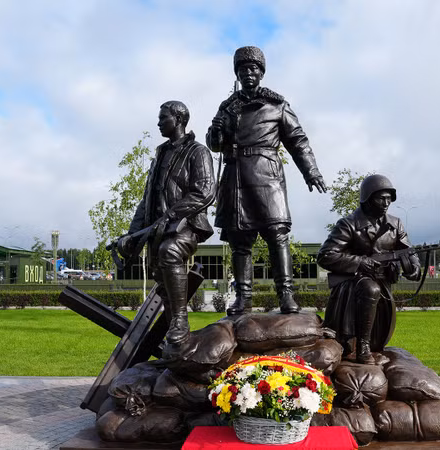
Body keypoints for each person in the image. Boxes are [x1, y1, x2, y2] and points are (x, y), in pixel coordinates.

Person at [206, 45, 326, 316]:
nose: (248, 73)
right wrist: (216, 131)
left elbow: (298, 141)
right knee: (240, 241)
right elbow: (215, 144)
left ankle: (286, 295)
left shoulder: (277, 105)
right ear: (237, 74)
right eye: (243, 69)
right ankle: (243, 298)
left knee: (277, 235)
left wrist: (311, 171)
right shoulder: (227, 108)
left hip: (267, 175)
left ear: (261, 73)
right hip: (235, 176)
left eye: (253, 69)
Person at [119, 100, 214, 345]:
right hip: (156, 231)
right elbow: (146, 201)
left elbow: (205, 192)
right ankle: (178, 344)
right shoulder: (160, 155)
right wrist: (132, 235)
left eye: (164, 118)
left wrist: (171, 215)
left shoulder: (198, 151)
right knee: (164, 284)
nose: (159, 122)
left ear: (179, 120)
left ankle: (181, 320)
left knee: (169, 252)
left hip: (185, 226)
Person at [317, 175, 421, 364]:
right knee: (370, 289)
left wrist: (413, 268)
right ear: (367, 198)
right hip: (354, 283)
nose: (386, 203)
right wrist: (358, 261)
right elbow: (326, 255)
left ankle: (372, 344)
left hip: (383, 281)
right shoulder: (348, 224)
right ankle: (362, 347)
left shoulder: (395, 224)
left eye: (389, 198)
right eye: (381, 198)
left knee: (376, 288)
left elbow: (408, 251)